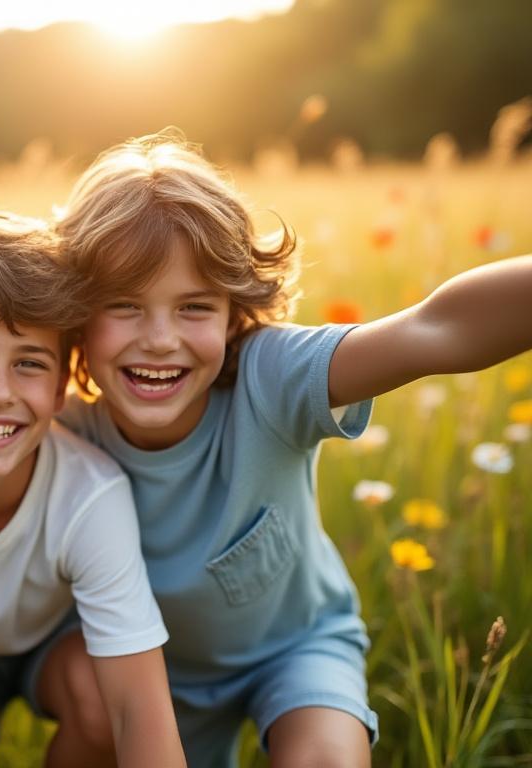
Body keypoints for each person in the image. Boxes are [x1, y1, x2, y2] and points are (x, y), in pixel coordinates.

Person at [54, 130, 532, 767]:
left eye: (194, 307)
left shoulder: (271, 377)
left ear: (234, 314)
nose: (161, 338)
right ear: (76, 317)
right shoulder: (60, 425)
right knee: (91, 708)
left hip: (296, 649)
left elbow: (434, 329)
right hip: (136, 664)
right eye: (123, 305)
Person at [0, 209, 183, 768]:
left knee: (101, 706)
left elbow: (138, 710)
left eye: (29, 364)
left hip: (51, 645)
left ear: (60, 389)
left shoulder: (89, 493)